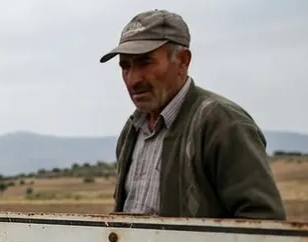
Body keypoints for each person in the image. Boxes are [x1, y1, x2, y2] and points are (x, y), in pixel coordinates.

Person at [100, 10, 286, 220]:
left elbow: (264, 223)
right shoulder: (133, 129)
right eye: (125, 66)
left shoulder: (222, 123)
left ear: (182, 61)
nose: (133, 79)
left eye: (145, 62)